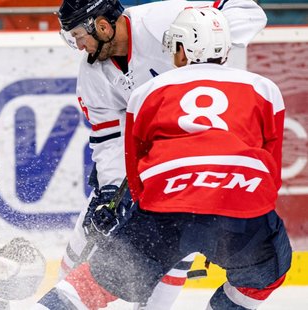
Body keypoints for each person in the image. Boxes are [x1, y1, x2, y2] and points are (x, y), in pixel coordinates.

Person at [41, 6, 291, 309]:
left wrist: (206, 29)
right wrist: (110, 192)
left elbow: (250, 14)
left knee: (144, 254)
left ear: (103, 26)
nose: (79, 46)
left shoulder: (162, 23)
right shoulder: (264, 88)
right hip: (228, 196)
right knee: (93, 227)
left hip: (163, 184)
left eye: (79, 36)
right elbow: (108, 139)